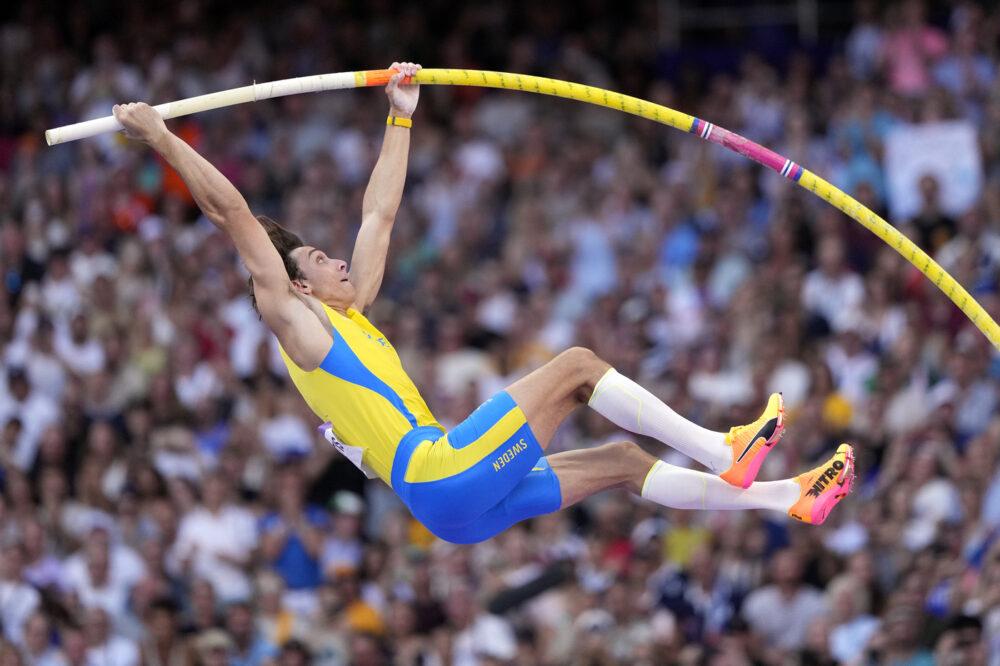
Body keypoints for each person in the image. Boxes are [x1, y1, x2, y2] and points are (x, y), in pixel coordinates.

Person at [111, 61, 854, 545]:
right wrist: (162, 139)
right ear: (298, 287)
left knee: (624, 462)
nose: (337, 258)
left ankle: (786, 496)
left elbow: (379, 217)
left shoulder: (349, 313)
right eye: (317, 259)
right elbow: (233, 215)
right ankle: (725, 453)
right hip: (441, 469)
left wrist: (401, 114)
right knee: (576, 367)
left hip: (450, 502)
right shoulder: (298, 325)